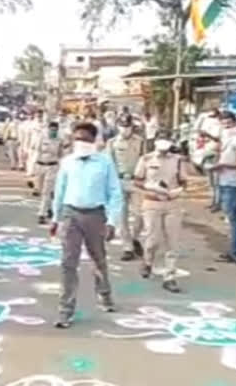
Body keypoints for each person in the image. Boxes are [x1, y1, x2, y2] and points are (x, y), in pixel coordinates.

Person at [51, 122, 123, 329]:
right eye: (77, 139)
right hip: (70, 214)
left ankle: (105, 294)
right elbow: (60, 190)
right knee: (68, 263)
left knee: (98, 258)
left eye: (85, 138)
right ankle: (65, 310)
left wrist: (111, 221)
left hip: (95, 215)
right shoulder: (67, 162)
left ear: (94, 140)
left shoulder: (104, 163)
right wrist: (55, 219)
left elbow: (115, 193)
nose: (80, 142)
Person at [133, 130, 186, 293]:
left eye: (167, 139)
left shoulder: (177, 160)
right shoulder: (146, 159)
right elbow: (137, 180)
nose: (164, 143)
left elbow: (184, 181)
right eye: (161, 139)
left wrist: (179, 190)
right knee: (152, 239)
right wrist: (150, 187)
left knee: (172, 241)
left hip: (172, 203)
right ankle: (148, 261)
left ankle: (170, 276)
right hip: (151, 203)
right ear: (155, 141)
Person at [106, 115, 146, 261]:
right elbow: (109, 164)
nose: (125, 129)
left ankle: (135, 238)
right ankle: (127, 247)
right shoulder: (112, 143)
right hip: (119, 181)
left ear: (132, 127)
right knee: (121, 216)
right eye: (122, 126)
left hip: (136, 182)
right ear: (118, 126)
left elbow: (145, 160)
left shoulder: (141, 142)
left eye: (127, 126)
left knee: (140, 214)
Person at [212, 111, 236, 263]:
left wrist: (224, 165)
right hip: (223, 180)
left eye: (228, 122)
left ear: (234, 122)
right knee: (231, 216)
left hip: (232, 183)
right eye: (223, 123)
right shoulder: (225, 137)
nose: (226, 125)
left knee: (234, 217)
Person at [32, 121, 65, 225]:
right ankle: (50, 207)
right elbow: (36, 150)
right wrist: (33, 168)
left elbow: (61, 154)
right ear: (48, 129)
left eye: (55, 130)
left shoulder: (60, 140)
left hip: (52, 166)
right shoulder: (41, 137)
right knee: (42, 190)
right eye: (51, 129)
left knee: (46, 191)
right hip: (40, 165)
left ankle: (41, 214)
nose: (53, 132)